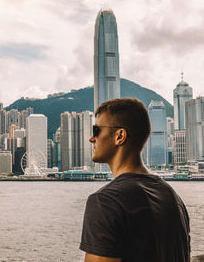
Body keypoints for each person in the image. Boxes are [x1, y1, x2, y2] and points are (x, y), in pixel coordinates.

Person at [79, 98, 190, 262]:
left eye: (96, 131)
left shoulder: (106, 201)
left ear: (120, 136)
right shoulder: (173, 198)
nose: (91, 138)